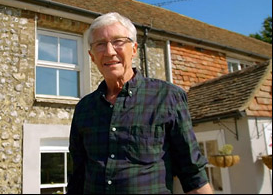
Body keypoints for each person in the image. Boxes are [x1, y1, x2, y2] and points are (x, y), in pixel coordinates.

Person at [67, 12, 213, 194]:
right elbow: (78, 178)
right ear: (92, 56)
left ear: (134, 49)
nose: (110, 51)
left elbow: (193, 174)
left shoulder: (167, 97)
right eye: (100, 44)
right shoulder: (84, 109)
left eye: (118, 41)